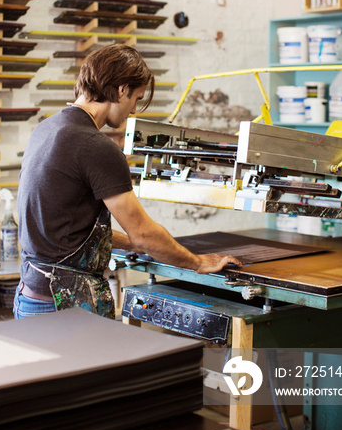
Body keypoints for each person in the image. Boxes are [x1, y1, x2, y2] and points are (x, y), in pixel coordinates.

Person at [14, 43, 241, 319]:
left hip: (30, 298)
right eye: (136, 98)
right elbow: (143, 233)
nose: (133, 110)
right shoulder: (95, 146)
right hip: (64, 307)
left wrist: (132, 245)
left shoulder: (46, 129)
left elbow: (66, 231)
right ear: (122, 89)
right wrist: (198, 262)